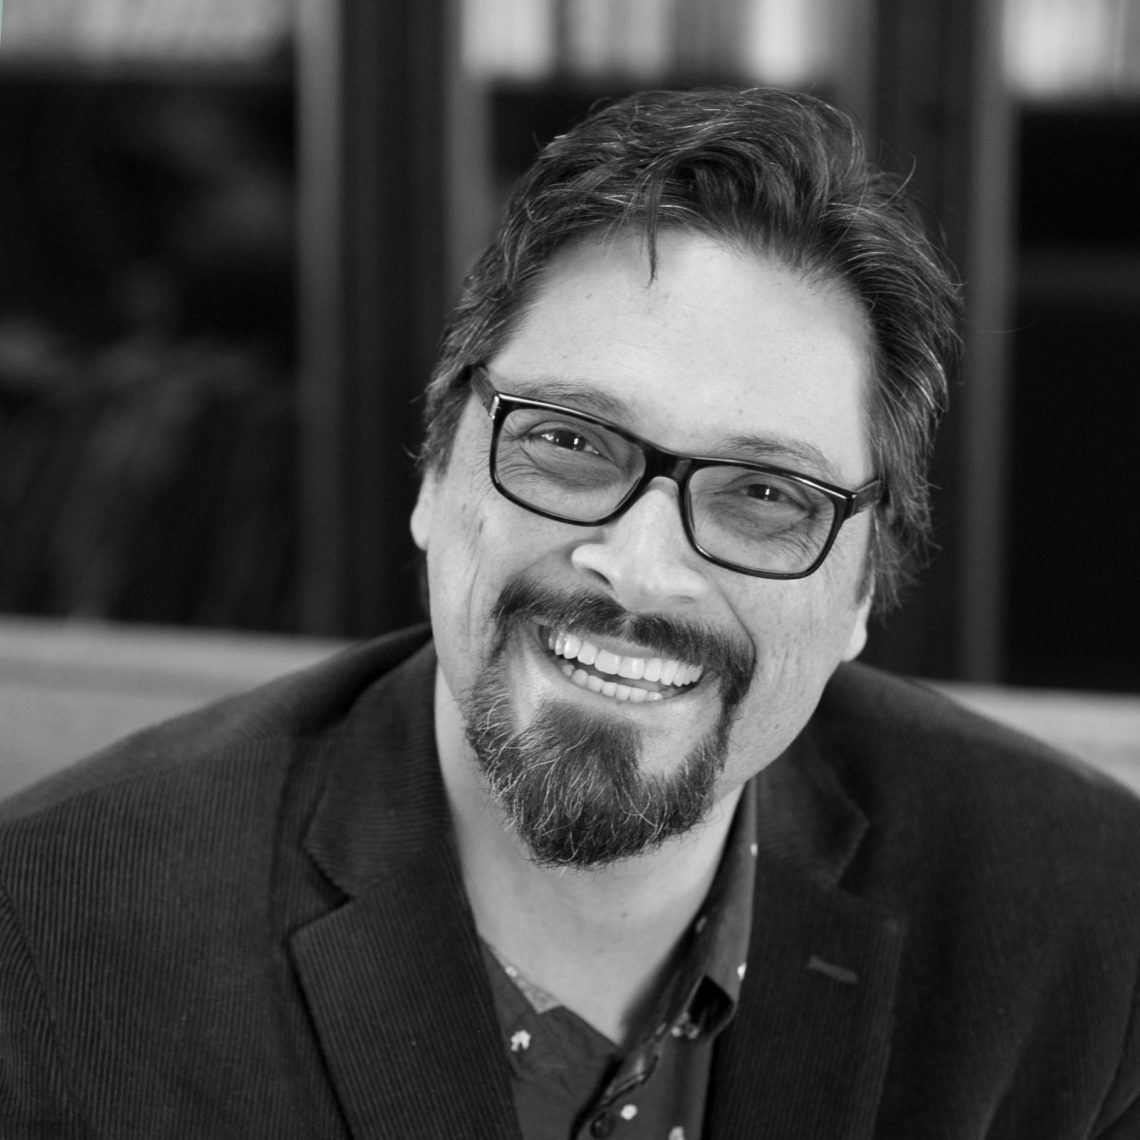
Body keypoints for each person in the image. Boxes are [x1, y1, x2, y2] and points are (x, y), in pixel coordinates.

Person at [2, 88, 1138, 1140]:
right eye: (568, 442)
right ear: (434, 479)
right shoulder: (55, 951)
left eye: (765, 496)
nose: (641, 571)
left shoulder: (1087, 930)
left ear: (858, 594)